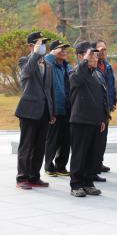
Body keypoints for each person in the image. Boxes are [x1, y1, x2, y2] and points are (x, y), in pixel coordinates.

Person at [15, 32, 55, 190]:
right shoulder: (25, 61)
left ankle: (34, 176)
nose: (43, 46)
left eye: (44, 43)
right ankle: (22, 177)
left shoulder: (48, 65)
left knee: (40, 146)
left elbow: (49, 90)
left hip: (45, 111)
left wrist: (52, 111)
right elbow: (27, 72)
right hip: (29, 110)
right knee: (27, 145)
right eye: (40, 43)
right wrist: (34, 54)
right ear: (31, 46)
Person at [69, 41, 109, 197]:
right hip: (80, 120)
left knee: (93, 154)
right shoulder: (75, 72)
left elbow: (101, 98)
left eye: (96, 55)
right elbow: (77, 79)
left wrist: (103, 119)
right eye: (91, 54)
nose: (95, 58)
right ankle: (76, 184)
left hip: (96, 120)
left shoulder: (97, 74)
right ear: (81, 56)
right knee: (79, 153)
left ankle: (88, 182)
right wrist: (85, 61)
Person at [44, 40, 73, 177]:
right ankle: (49, 166)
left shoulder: (67, 66)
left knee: (66, 140)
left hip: (68, 108)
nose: (63, 51)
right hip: (55, 109)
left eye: (65, 48)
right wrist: (51, 53)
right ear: (53, 51)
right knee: (52, 139)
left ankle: (61, 166)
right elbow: (45, 58)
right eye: (60, 49)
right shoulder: (49, 63)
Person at [95, 40, 117, 181]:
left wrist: (113, 101)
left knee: (103, 138)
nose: (103, 52)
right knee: (96, 137)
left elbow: (111, 86)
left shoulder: (108, 66)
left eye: (105, 49)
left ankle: (99, 162)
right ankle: (93, 165)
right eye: (100, 49)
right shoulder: (91, 66)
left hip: (106, 107)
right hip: (96, 107)